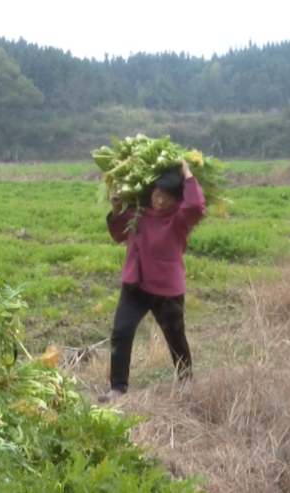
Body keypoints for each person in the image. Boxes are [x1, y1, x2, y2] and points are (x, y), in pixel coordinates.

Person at [99, 158, 206, 403]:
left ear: (176, 199)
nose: (160, 201)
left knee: (175, 336)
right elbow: (118, 234)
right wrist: (116, 210)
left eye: (166, 198)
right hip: (135, 284)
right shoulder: (139, 212)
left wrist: (187, 173)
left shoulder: (179, 218)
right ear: (151, 192)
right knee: (121, 332)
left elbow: (197, 206)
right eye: (157, 194)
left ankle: (186, 378)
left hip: (166, 289)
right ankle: (118, 387)